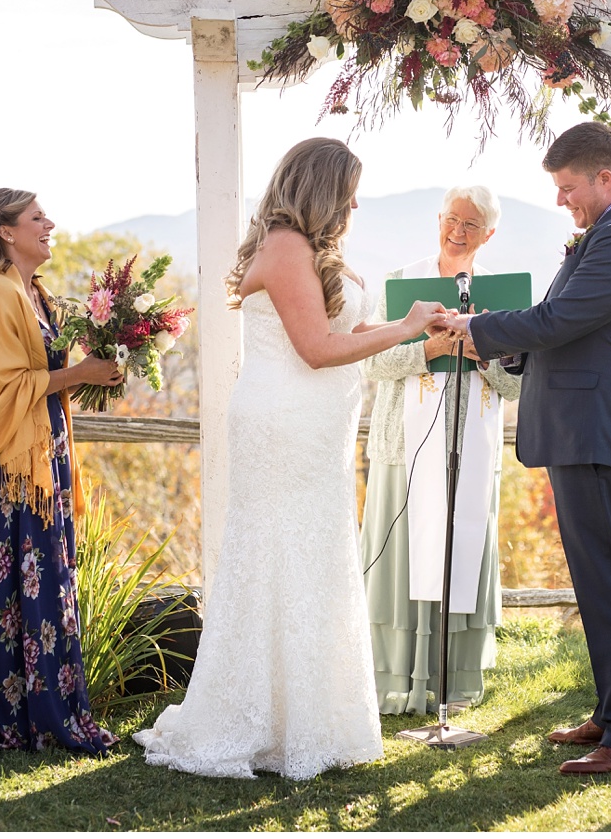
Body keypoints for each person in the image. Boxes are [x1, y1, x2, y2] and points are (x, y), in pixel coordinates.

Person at [135, 139, 444, 778]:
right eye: (348, 190)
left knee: (314, 556)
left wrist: (420, 339)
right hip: (283, 424)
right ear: (321, 189)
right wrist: (408, 324)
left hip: (316, 428)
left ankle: (308, 715)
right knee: (280, 555)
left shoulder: (312, 250)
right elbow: (316, 349)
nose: (355, 203)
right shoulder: (284, 246)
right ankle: (258, 719)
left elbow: (350, 339)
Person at [430, 121, 611, 778]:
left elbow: (560, 321)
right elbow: (567, 324)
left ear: (605, 176)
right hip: (587, 427)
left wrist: (473, 327)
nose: (564, 202)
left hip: (601, 430)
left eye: (569, 188)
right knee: (602, 582)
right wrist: (512, 344)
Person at [0, 188, 121, 753]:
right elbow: (2, 390)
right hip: (10, 472)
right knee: (14, 593)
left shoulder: (38, 295)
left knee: (45, 590)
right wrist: (79, 371)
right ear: (7, 231)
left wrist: (103, 363)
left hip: (45, 459)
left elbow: (49, 375)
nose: (50, 223)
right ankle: (9, 718)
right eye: (38, 218)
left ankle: (46, 711)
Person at [361, 184, 520, 714]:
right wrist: (425, 350)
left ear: (489, 234)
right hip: (402, 447)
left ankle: (451, 682)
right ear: (438, 219)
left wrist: (486, 355)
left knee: (462, 545)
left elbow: (520, 385)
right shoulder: (403, 284)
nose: (458, 230)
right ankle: (397, 677)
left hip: (469, 449)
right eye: (451, 218)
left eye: (471, 224)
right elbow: (372, 363)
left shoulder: (503, 294)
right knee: (405, 554)